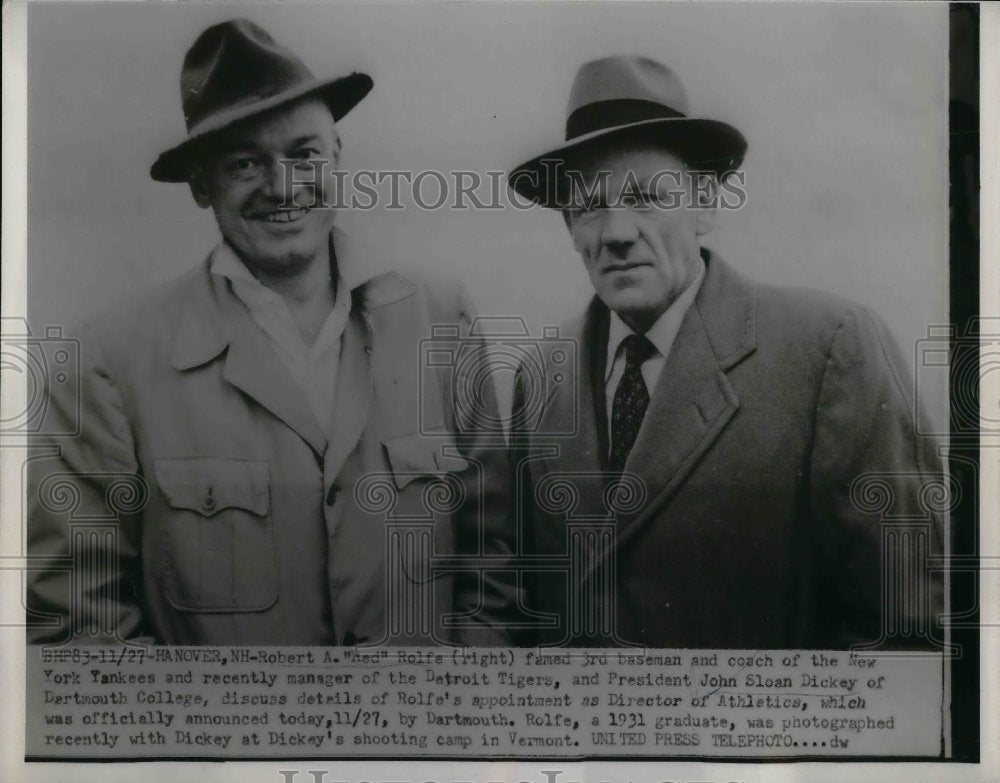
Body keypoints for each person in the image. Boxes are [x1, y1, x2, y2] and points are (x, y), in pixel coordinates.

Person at [26, 19, 515, 646]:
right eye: (245, 163)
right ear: (202, 185)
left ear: (339, 155)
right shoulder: (109, 360)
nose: (283, 186)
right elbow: (80, 626)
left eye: (304, 154)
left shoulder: (441, 320)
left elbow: (494, 570)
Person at [507, 55, 945, 649]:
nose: (615, 232)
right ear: (569, 227)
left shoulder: (830, 347)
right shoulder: (542, 375)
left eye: (646, 197)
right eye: (588, 204)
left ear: (706, 203)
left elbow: (903, 632)